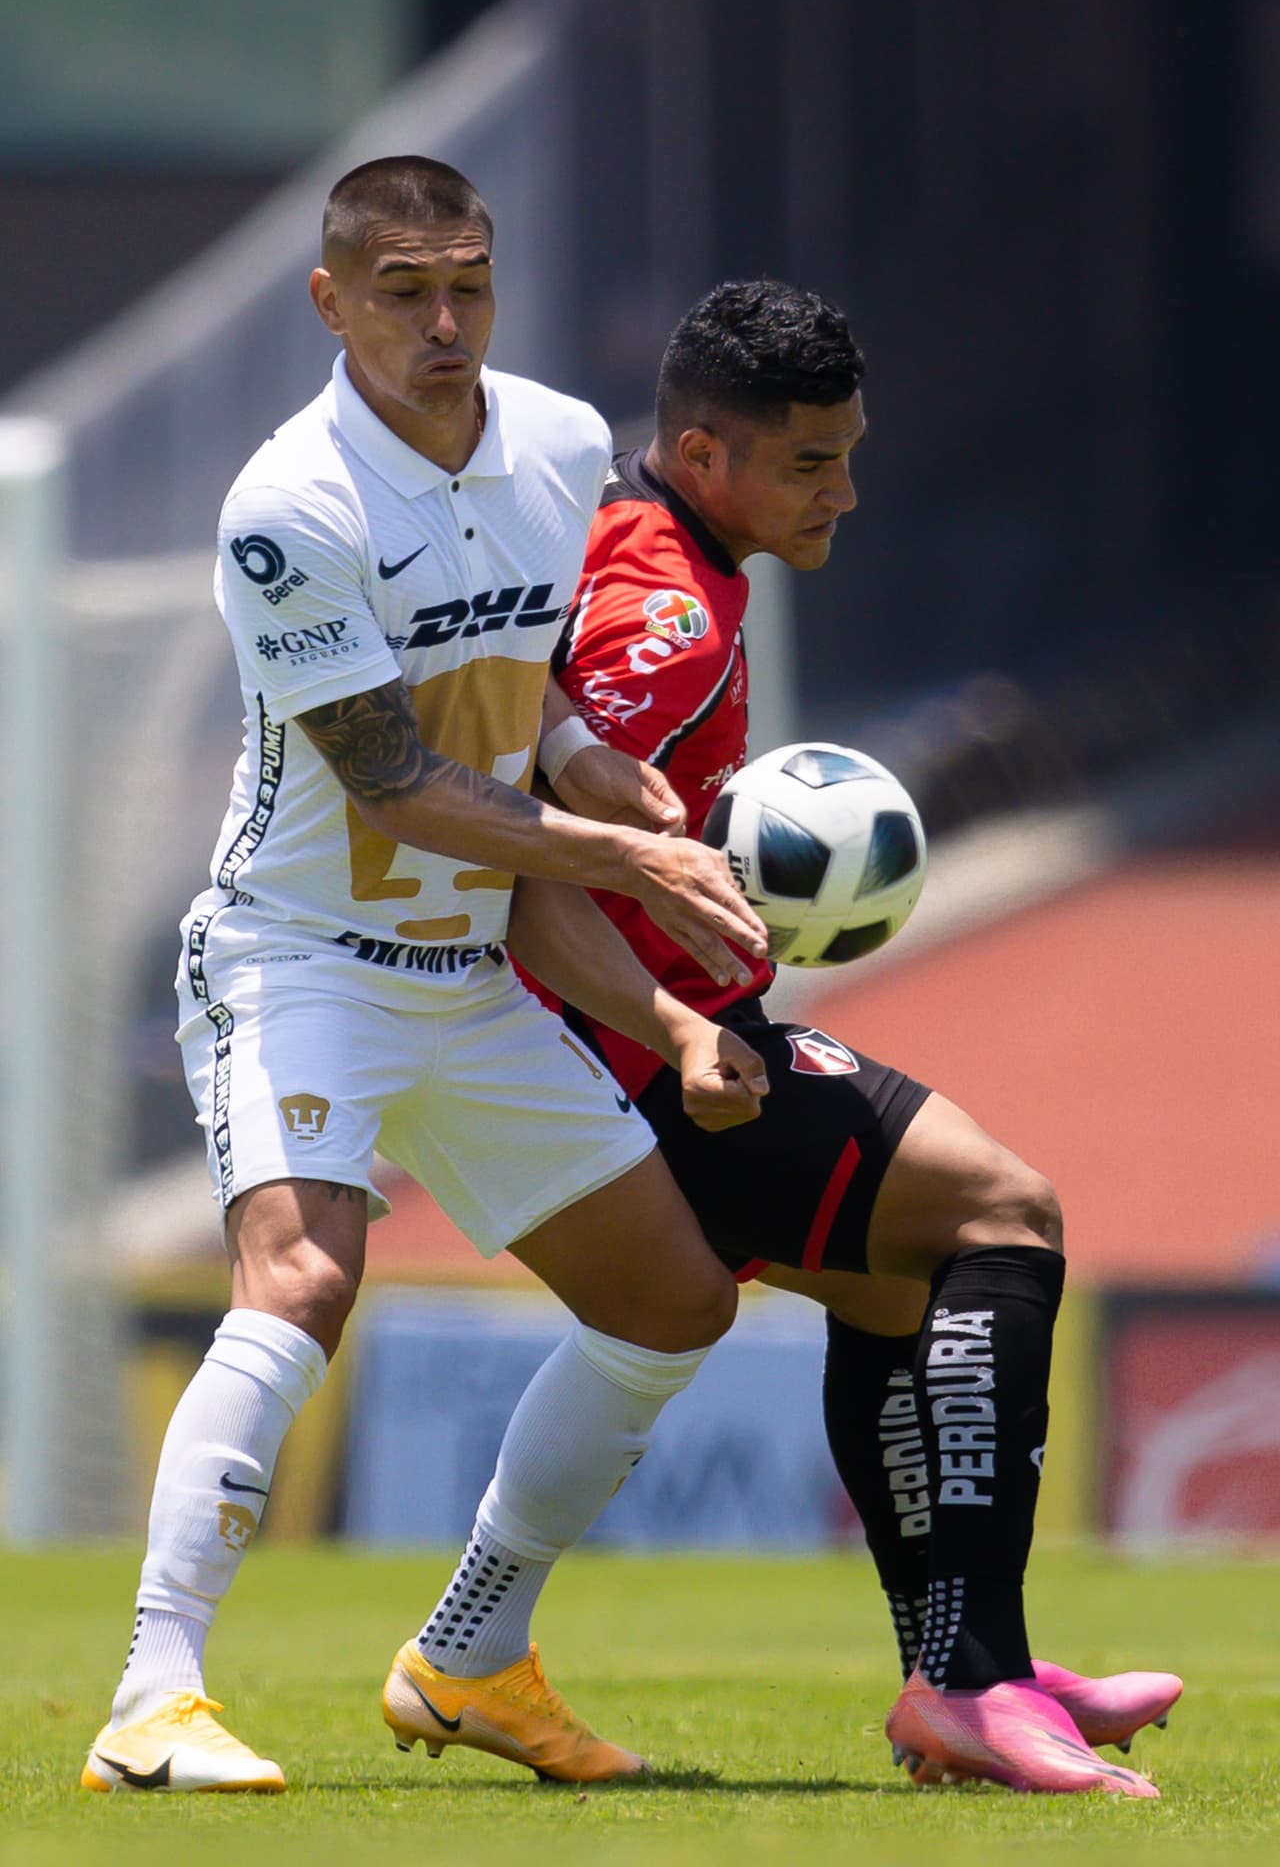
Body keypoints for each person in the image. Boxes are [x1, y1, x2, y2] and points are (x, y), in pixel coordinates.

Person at [82, 156, 776, 1795]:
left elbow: (510, 701)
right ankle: (151, 1698)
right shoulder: (288, 508)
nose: (445, 320)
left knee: (672, 1301)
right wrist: (635, 862)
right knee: (305, 1284)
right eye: (405, 291)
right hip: (297, 959)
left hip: (471, 962)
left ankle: (471, 1654)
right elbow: (396, 783)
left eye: (468, 282)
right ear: (332, 302)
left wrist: (601, 781)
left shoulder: (552, 445)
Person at [518, 279, 1180, 1796]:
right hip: (643, 1066)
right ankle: (972, 1671)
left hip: (661, 1040)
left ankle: (976, 1669)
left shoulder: (657, 545)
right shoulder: (663, 619)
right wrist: (682, 1021)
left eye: (851, 451)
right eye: (812, 461)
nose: (847, 490)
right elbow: (513, 865)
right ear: (702, 455)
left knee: (898, 1293)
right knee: (1005, 1213)